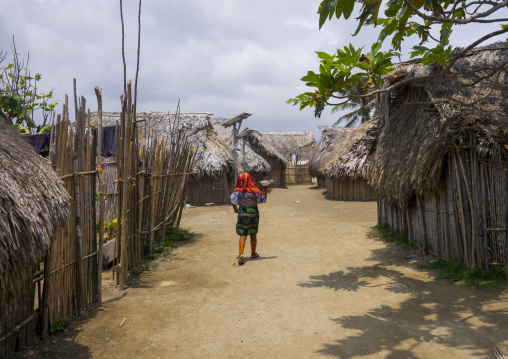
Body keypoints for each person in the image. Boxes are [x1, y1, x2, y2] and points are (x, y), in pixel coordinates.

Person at [230, 172, 268, 265]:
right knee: (253, 234)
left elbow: (232, 199)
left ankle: (241, 254)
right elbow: (263, 199)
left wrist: (235, 209)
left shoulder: (237, 191)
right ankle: (253, 253)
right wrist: (264, 188)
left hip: (242, 214)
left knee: (243, 235)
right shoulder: (255, 191)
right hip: (254, 215)